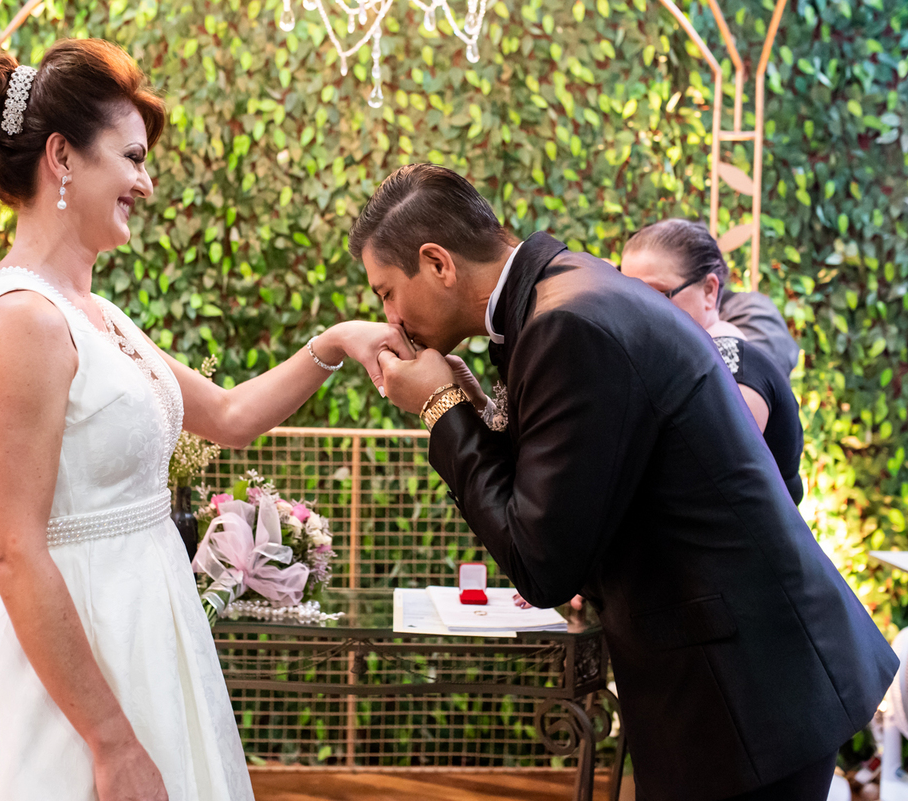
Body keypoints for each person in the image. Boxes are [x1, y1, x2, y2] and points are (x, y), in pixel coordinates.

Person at [0, 40, 412, 801]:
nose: (147, 181)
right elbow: (10, 550)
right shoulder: (19, 321)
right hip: (68, 673)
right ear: (63, 157)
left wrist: (334, 343)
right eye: (132, 157)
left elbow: (229, 416)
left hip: (144, 632)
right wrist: (112, 742)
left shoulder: (95, 314)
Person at [358, 164, 896, 801]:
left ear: (437, 263)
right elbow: (575, 484)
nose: (391, 318)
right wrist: (470, 407)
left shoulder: (565, 321)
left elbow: (543, 563)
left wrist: (441, 410)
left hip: (743, 689)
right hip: (744, 674)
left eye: (387, 292)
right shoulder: (567, 291)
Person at [620, 219, 804, 504]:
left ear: (709, 290)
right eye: (626, 295)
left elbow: (699, 493)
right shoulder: (682, 364)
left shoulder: (734, 371)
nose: (638, 310)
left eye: (656, 294)